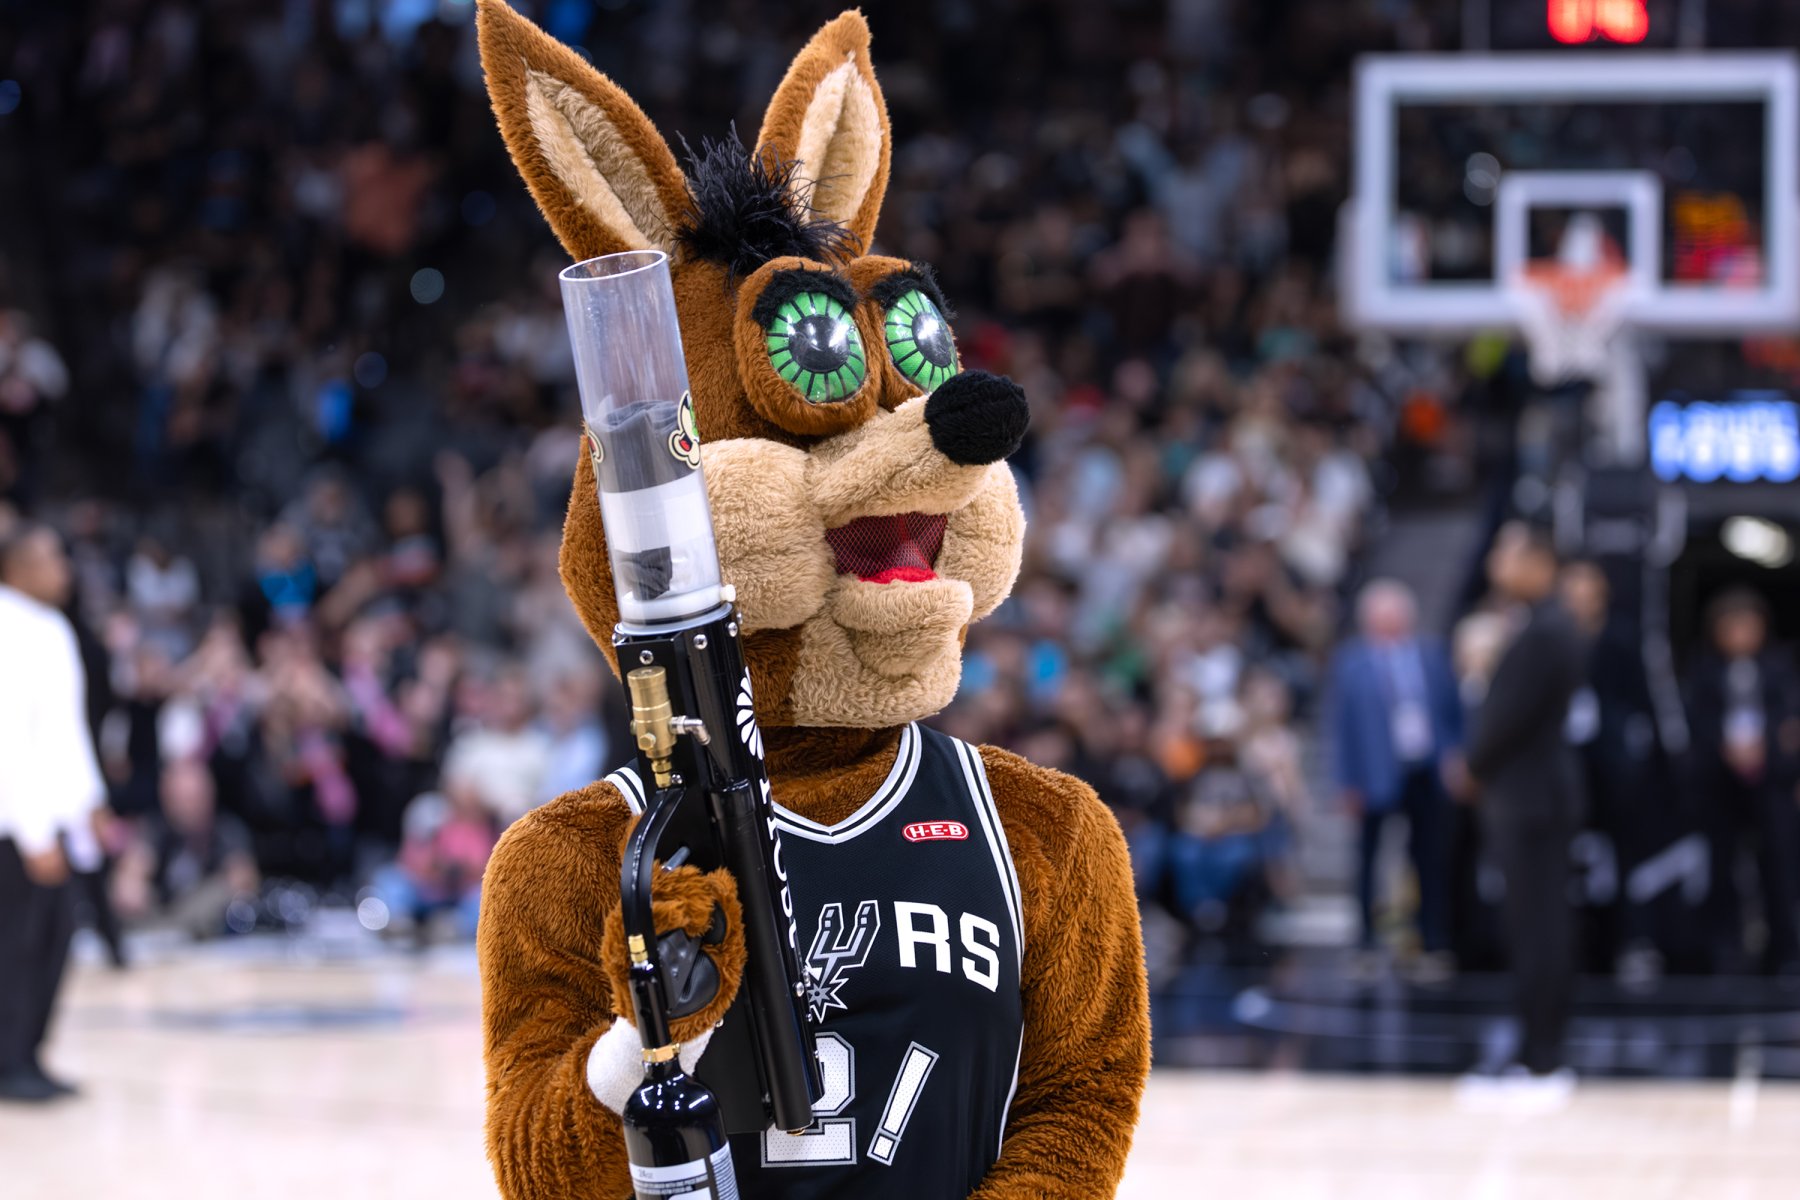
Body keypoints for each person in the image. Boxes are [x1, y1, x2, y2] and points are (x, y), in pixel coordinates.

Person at [1464, 522, 1588, 1099]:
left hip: (1531, 797)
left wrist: (1472, 764)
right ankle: (1539, 1050)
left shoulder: (1544, 629)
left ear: (1538, 562)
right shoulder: (1547, 624)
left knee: (1537, 927)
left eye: (1506, 553)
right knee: (1538, 924)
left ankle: (1541, 1056)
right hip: (1538, 794)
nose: (1497, 563)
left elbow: (1506, 719)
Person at [0, 523, 106, 1102]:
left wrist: (91, 803)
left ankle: (29, 1054)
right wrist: (32, 831)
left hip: (55, 819)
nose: (63, 570)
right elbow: (8, 741)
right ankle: (8, 1060)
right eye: (50, 559)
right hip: (17, 825)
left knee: (55, 939)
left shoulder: (53, 627)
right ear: (15, 567)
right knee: (13, 946)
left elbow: (67, 732)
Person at [1328, 579, 1463, 982]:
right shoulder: (1352, 662)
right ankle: (1366, 944)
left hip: (1424, 769)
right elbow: (1341, 726)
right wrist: (1346, 781)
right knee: (1368, 860)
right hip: (1374, 774)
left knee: (1428, 858)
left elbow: (1452, 712)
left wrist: (1453, 757)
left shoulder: (1431, 655)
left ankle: (1430, 941)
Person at [1683, 588, 1800, 977]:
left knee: (1779, 867)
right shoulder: (1704, 671)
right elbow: (1695, 724)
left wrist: (1771, 749)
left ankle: (1784, 950)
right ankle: (1725, 951)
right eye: (1730, 626)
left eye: (1747, 625)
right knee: (1722, 867)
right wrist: (1723, 748)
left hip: (1771, 781)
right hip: (1720, 783)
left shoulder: (1779, 668)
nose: (1739, 635)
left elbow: (1789, 723)